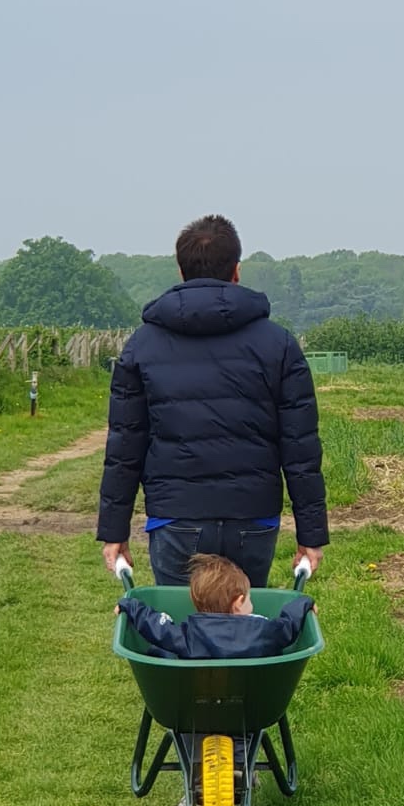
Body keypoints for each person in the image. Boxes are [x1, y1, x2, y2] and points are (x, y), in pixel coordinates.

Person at [96, 213, 328, 586]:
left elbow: (125, 445)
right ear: (236, 271)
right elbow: (300, 449)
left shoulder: (142, 345)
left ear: (181, 271)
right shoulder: (279, 345)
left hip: (175, 518)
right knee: (243, 628)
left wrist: (114, 530)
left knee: (179, 630)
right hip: (252, 517)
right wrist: (311, 534)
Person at [117, 554, 314, 660]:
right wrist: (303, 603)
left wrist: (131, 606)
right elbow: (288, 625)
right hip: (253, 698)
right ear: (238, 603)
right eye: (249, 599)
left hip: (196, 698)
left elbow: (157, 627)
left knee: (162, 651)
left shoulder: (188, 635)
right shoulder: (264, 631)